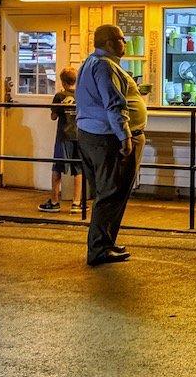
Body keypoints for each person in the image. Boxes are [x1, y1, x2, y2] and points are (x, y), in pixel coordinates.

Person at [77, 24, 147, 266]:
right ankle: (99, 248)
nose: (124, 42)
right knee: (111, 193)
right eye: (120, 38)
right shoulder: (106, 66)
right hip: (109, 138)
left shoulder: (90, 63)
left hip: (91, 135)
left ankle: (106, 241)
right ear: (108, 43)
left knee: (107, 192)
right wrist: (125, 137)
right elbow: (114, 104)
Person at [40, 67, 83, 213]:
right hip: (78, 135)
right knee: (78, 169)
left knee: (57, 168)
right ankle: (77, 203)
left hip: (63, 136)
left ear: (63, 82)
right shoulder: (81, 95)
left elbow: (53, 116)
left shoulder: (59, 96)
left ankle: (54, 201)